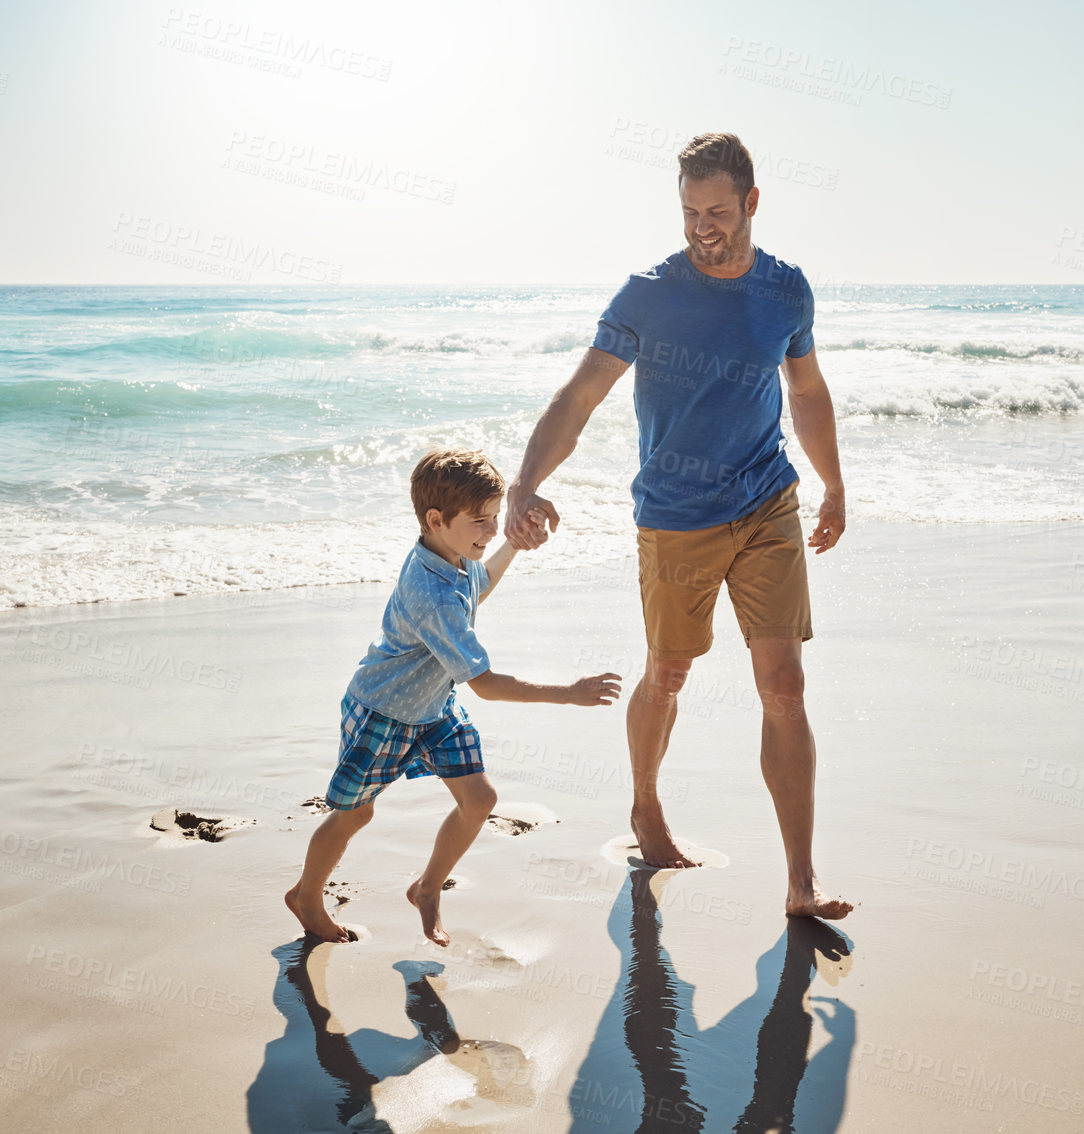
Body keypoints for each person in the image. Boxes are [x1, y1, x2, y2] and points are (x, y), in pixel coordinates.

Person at [504, 132, 853, 920]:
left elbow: (807, 390)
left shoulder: (786, 291)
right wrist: (525, 483)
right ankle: (645, 804)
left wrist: (832, 484)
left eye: (719, 212)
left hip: (767, 500)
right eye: (691, 212)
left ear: (753, 204)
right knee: (666, 674)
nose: (704, 227)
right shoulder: (647, 294)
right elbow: (581, 395)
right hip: (675, 517)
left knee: (785, 687)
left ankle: (801, 880)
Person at [285, 447, 622, 945]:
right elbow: (484, 685)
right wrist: (568, 693)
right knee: (356, 812)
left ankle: (426, 887)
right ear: (436, 519)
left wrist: (511, 545)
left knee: (480, 799)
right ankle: (306, 896)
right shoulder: (433, 594)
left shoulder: (449, 554)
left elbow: (477, 586)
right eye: (481, 522)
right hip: (384, 711)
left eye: (493, 517)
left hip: (434, 708)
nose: (490, 529)